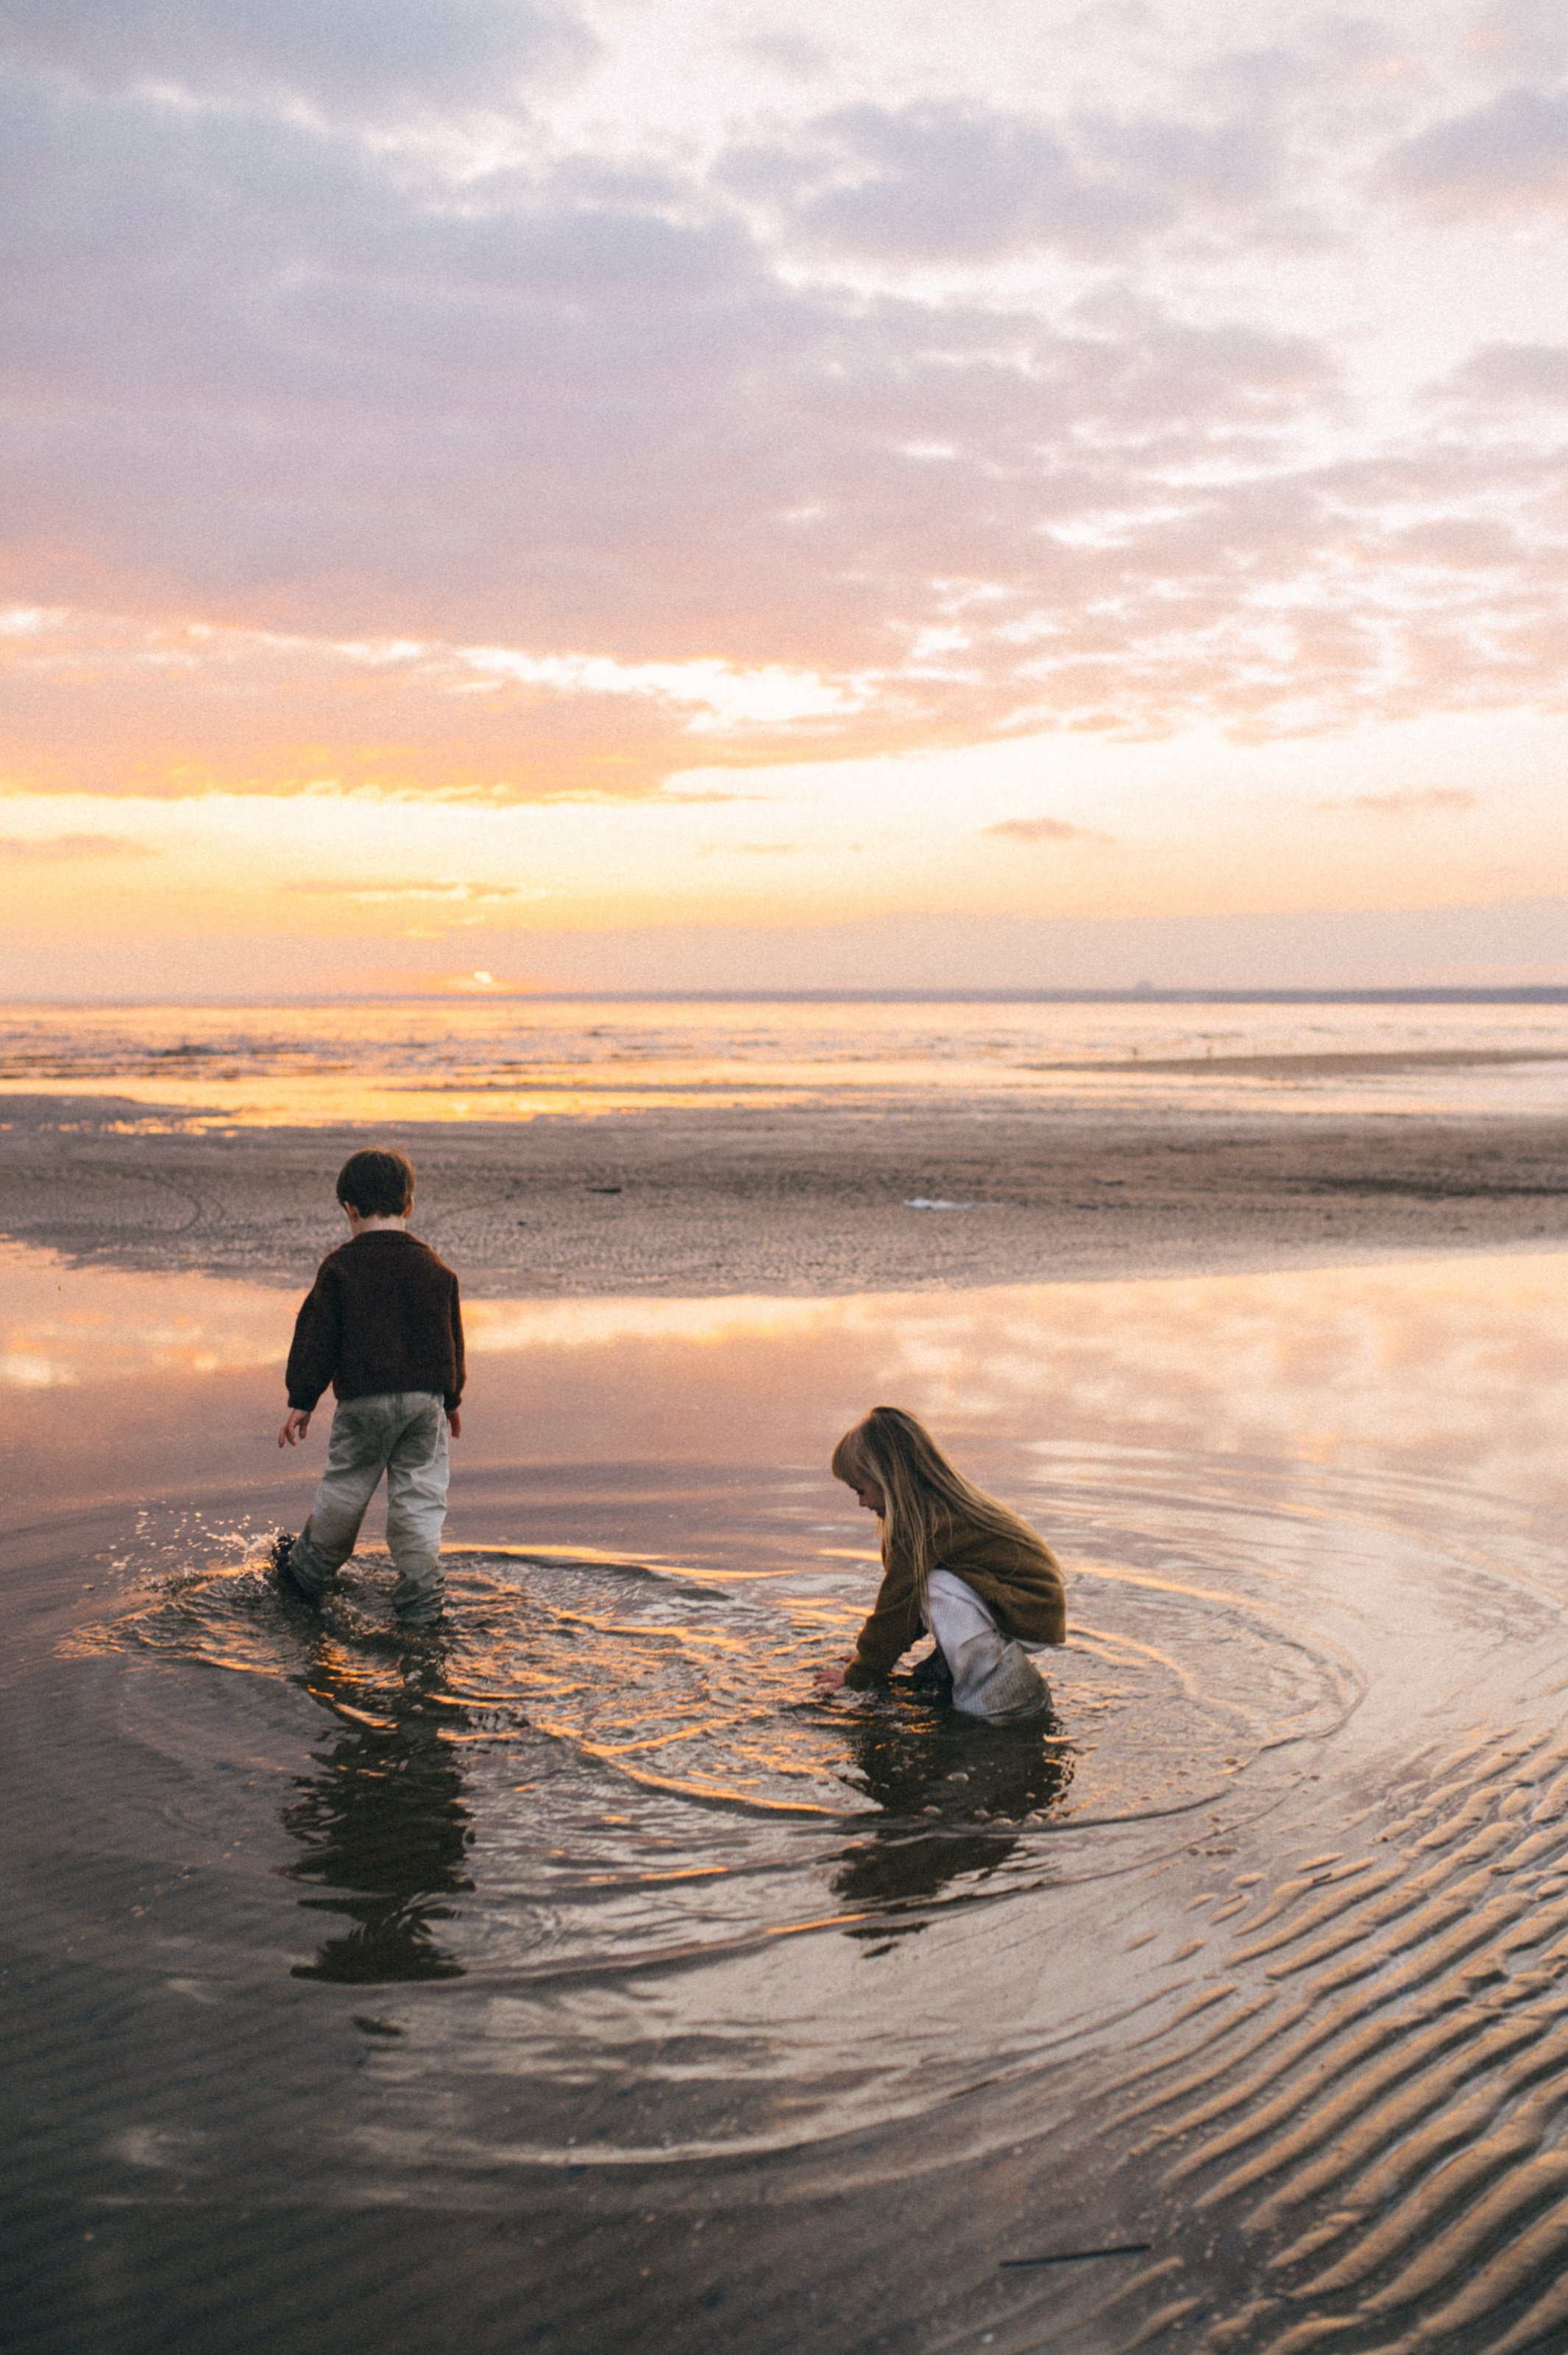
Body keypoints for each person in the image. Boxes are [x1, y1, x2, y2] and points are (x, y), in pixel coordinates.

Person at [272, 1147, 464, 1629]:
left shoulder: (340, 1268)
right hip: (425, 1403)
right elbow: (450, 1335)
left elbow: (317, 1336)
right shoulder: (434, 1268)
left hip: (364, 1402)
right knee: (419, 1499)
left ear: (349, 1209)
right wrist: (452, 1397)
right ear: (409, 1207)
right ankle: (422, 1604)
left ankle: (307, 1576)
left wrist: (303, 1398)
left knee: (346, 1486)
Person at [814, 1406, 1065, 1721]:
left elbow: (896, 1610)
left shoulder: (925, 1525)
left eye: (861, 1490)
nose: (861, 1502)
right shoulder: (935, 1508)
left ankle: (981, 1694)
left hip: (1031, 1612)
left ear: (887, 1478)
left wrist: (858, 1674)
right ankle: (948, 1670)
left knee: (935, 1585)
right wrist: (874, 1659)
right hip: (1028, 1606)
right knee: (933, 1584)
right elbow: (909, 1614)